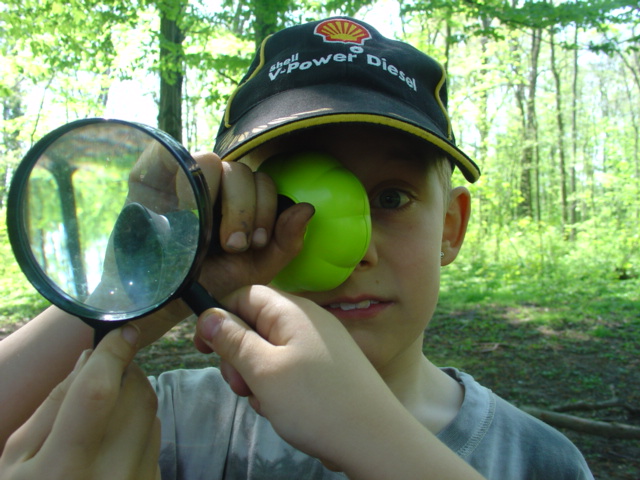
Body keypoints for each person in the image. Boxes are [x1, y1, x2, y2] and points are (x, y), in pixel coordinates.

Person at [0, 16, 593, 480]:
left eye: (391, 199)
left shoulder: (539, 464)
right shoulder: (171, 421)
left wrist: (374, 439)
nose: (355, 251)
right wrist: (140, 285)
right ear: (228, 216)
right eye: (285, 199)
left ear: (451, 229)